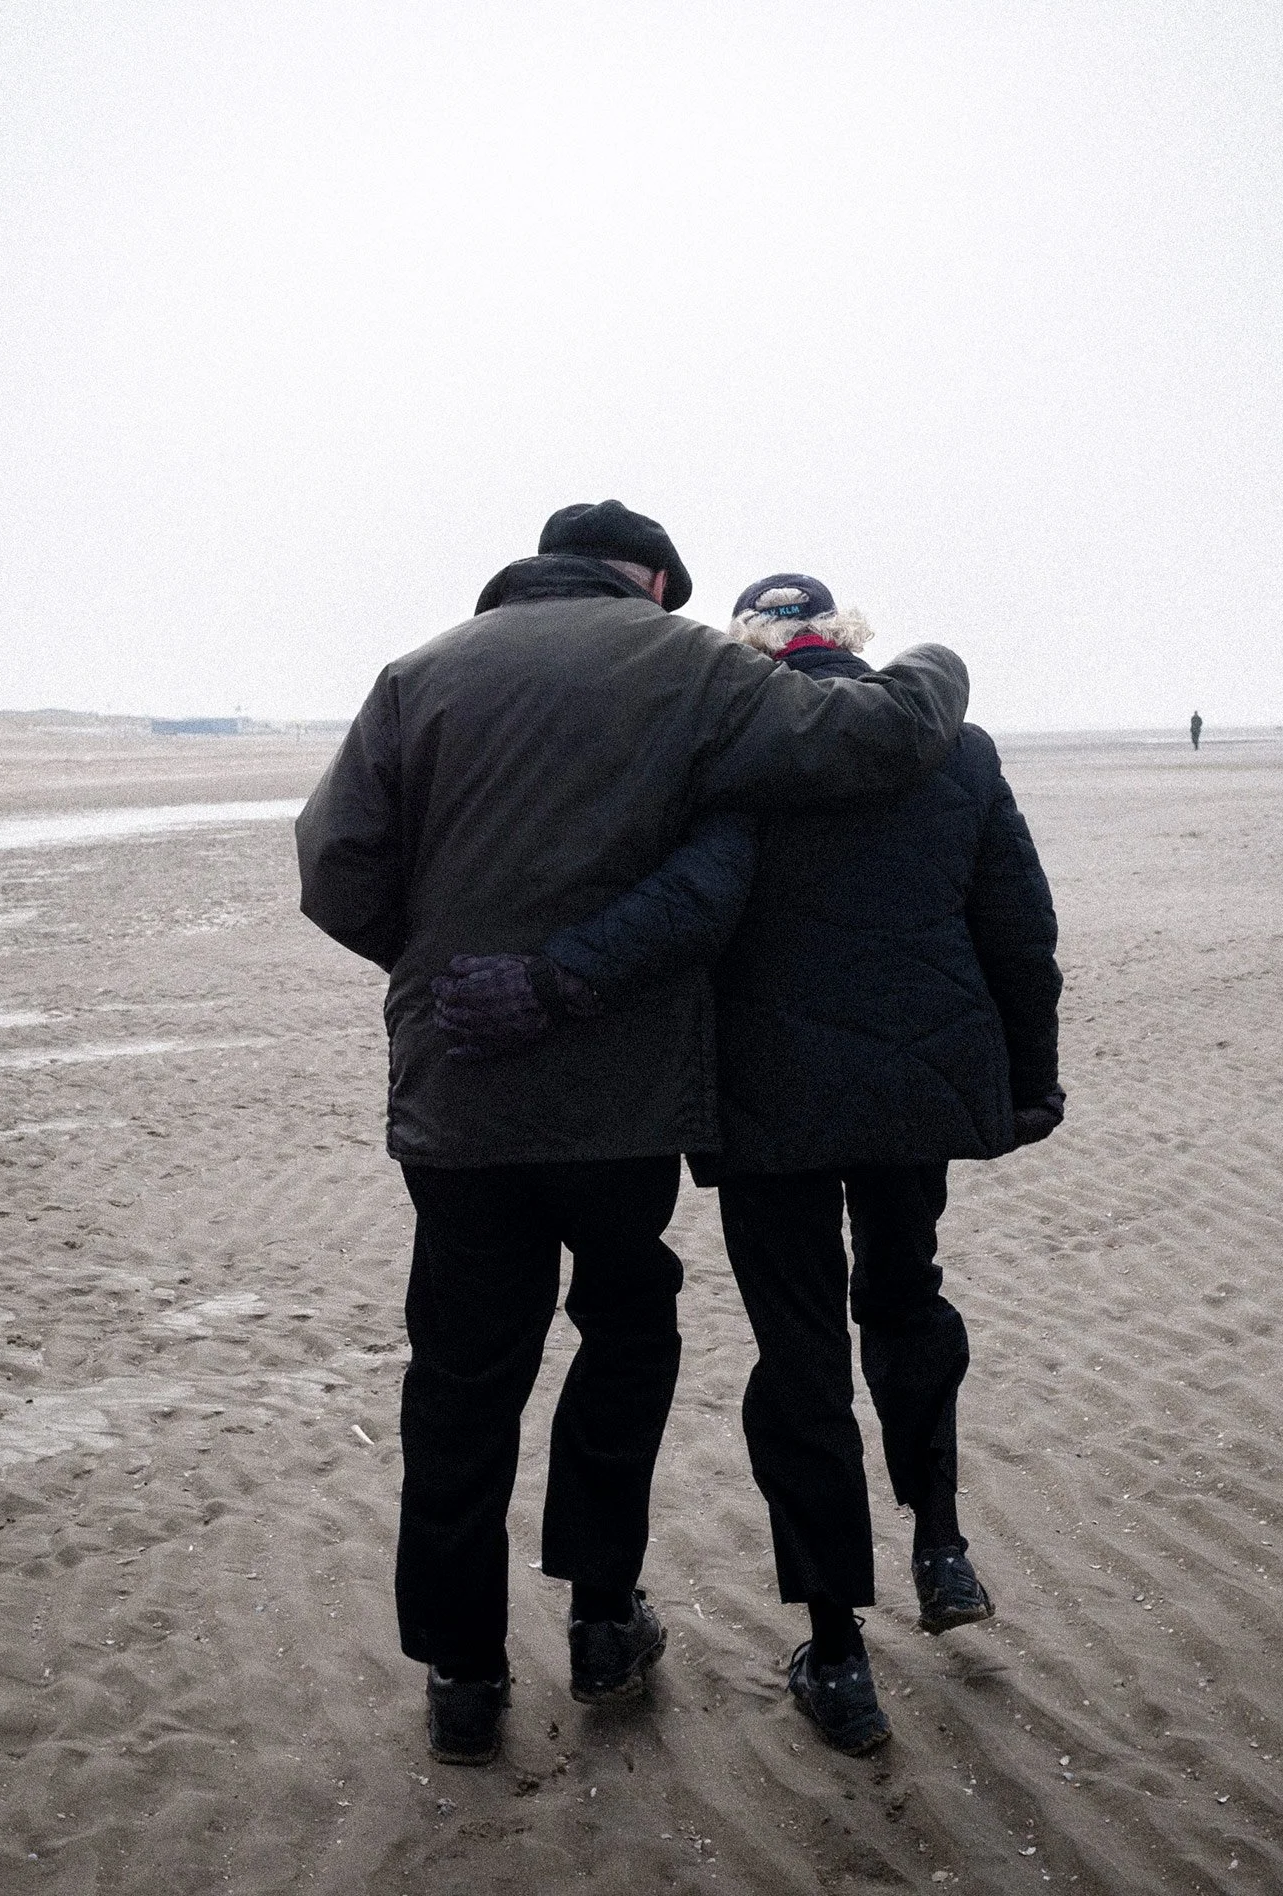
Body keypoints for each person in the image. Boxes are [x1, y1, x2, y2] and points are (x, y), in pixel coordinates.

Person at [295, 505, 971, 1767]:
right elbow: (871, 737)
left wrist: (432, 959)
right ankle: (603, 1618)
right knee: (624, 1330)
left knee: (459, 1376)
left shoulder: (420, 672)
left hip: (456, 1098)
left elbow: (332, 866)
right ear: (654, 578)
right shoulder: (683, 663)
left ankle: (461, 1674)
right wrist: (937, 662)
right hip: (615, 1101)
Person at [434, 572, 1063, 1757]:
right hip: (913, 1092)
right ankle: (938, 1538)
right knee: (905, 1291)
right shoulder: (957, 750)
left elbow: (689, 904)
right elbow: (1017, 925)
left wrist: (557, 980)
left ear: (746, 654)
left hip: (770, 1107)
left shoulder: (736, 758)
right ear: (846, 641)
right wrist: (1027, 1080)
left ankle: (837, 1657)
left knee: (803, 1358)